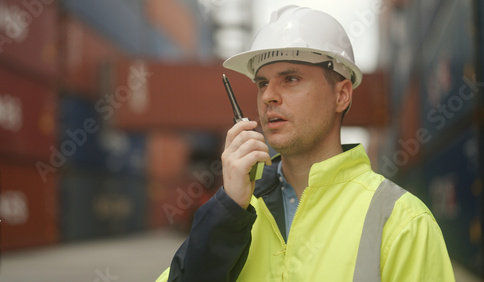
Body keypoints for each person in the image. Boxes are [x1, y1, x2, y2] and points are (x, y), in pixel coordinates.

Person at [157, 5, 455, 282]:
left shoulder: (403, 223)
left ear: (342, 95)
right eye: (262, 83)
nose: (267, 96)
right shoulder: (235, 212)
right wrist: (226, 211)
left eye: (290, 79)